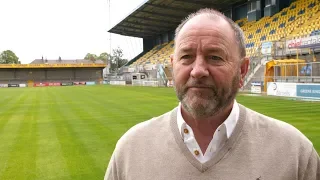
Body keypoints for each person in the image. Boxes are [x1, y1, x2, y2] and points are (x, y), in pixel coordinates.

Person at [104, 8, 320, 180]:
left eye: (215, 57)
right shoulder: (130, 150)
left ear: (242, 70)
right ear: (173, 66)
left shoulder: (295, 153)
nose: (198, 70)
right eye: (186, 56)